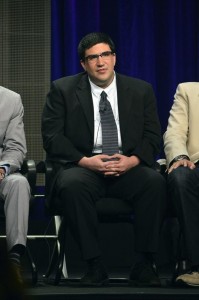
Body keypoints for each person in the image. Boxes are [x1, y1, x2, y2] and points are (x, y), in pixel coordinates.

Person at [42, 32, 167, 287]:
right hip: (85, 165)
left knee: (154, 182)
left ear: (114, 58)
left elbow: (153, 136)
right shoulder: (63, 90)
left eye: (105, 55)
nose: (100, 62)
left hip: (128, 165)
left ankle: (144, 263)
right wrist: (85, 160)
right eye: (93, 58)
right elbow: (52, 138)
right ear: (83, 64)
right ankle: (93, 264)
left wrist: (132, 160)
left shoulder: (141, 90)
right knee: (72, 185)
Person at [163, 82, 199, 287]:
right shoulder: (188, 91)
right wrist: (180, 156)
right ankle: (197, 266)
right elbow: (174, 132)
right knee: (180, 176)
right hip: (196, 164)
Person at [0, 86, 30, 286]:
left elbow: (16, 147)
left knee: (19, 182)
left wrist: (2, 169)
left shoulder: (10, 99)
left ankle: (14, 259)